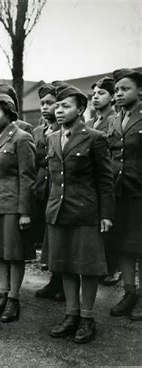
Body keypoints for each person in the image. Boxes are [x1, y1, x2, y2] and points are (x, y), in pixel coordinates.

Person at [44, 86, 114, 344]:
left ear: (81, 109)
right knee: (65, 265)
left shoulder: (95, 138)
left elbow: (105, 179)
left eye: (66, 106)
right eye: (57, 106)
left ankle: (87, 318)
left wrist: (106, 214)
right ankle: (71, 314)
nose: (59, 110)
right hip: (58, 211)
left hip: (85, 212)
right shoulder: (52, 138)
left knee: (87, 268)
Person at [0, 94, 36, 323]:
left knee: (14, 253)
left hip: (12, 204)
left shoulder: (22, 138)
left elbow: (28, 177)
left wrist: (24, 212)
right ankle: (2, 294)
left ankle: (14, 299)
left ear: (9, 113)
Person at [107, 69, 142, 321]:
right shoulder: (113, 120)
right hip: (118, 194)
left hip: (140, 194)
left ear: (140, 91)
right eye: (116, 90)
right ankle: (130, 293)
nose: (119, 93)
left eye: (125, 88)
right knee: (124, 247)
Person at [86, 77, 121, 287]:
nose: (96, 97)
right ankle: (100, 264)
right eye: (94, 94)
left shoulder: (114, 120)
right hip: (93, 179)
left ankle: (113, 267)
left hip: (112, 177)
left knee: (111, 223)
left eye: (101, 93)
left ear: (112, 97)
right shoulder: (90, 123)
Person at [33, 84, 65, 302]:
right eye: (42, 103)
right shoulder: (38, 131)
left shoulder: (63, 131)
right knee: (49, 237)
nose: (45, 107)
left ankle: (63, 283)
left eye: (50, 103)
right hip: (42, 189)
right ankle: (55, 280)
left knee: (61, 237)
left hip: (58, 188)